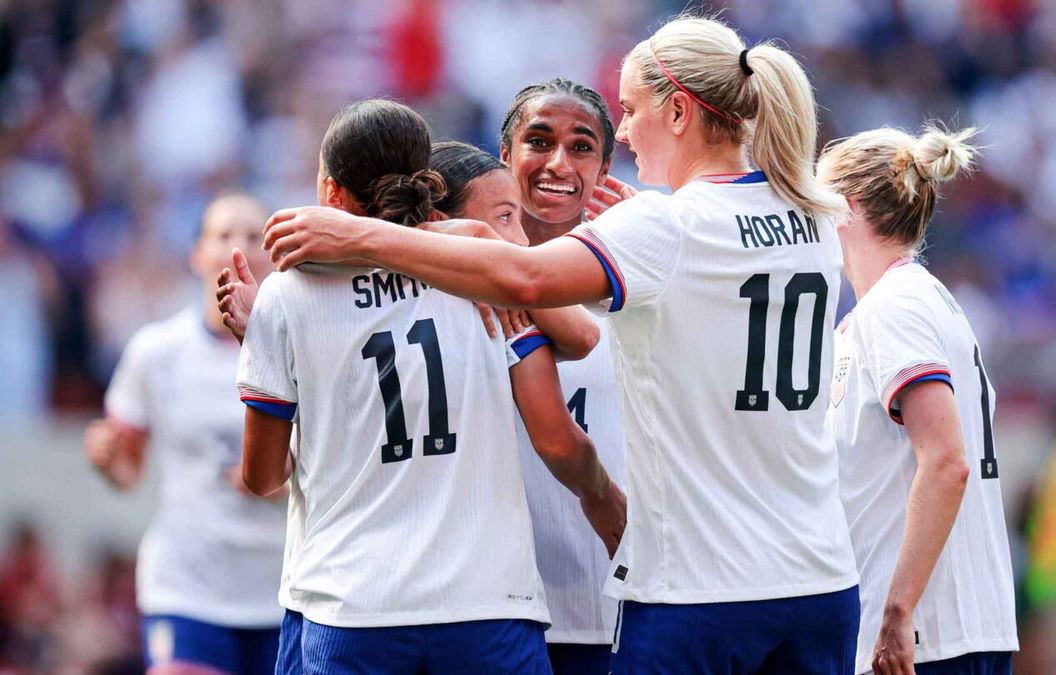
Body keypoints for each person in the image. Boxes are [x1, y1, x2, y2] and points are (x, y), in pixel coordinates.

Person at [258, 16, 861, 674]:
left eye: (628, 112)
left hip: (699, 587)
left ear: (680, 112)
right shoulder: (811, 215)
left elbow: (531, 280)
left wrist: (357, 238)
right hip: (819, 576)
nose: (628, 130)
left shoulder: (660, 230)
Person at [235, 98, 624, 674]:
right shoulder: (484, 280)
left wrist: (283, 376)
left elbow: (262, 478)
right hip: (488, 607)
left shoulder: (288, 297)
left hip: (352, 607)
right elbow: (575, 364)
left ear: (329, 192)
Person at [818, 126, 1018, 675]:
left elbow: (946, 461)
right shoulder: (923, 301)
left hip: (925, 636)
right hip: (952, 628)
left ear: (845, 206)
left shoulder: (894, 306)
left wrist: (898, 609)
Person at [433, 126, 626, 675]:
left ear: (606, 169)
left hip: (606, 596)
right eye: (538, 143)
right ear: (505, 156)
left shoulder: (644, 274)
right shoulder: (478, 313)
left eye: (583, 148)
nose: (558, 164)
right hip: (492, 606)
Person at [84, 192, 285, 675]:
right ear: (197, 253)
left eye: (253, 236)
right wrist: (107, 458)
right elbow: (128, 472)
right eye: (223, 235)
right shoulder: (157, 352)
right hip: (189, 585)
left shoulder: (302, 348)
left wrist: (277, 474)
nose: (238, 247)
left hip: (283, 590)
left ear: (273, 255)